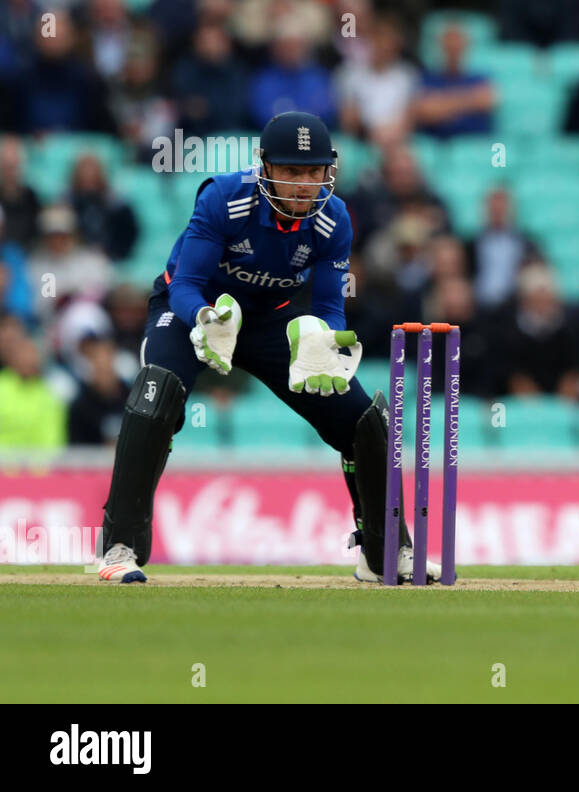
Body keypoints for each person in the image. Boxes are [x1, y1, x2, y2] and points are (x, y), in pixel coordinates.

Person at [95, 112, 431, 586]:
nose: (303, 185)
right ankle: (117, 546)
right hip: (195, 309)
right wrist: (205, 320)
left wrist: (323, 339)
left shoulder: (333, 219)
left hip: (269, 318)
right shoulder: (224, 198)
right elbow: (186, 284)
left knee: (360, 418)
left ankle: (384, 552)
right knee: (157, 394)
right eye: (292, 172)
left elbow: (332, 305)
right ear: (264, 165)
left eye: (314, 172)